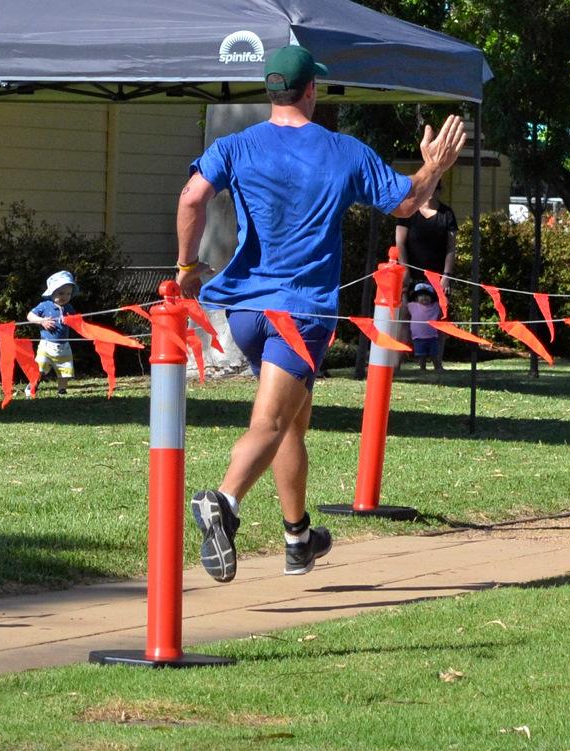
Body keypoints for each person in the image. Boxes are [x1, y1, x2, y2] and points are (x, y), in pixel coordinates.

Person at [177, 44, 469, 583]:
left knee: (292, 421)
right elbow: (406, 204)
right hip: (302, 312)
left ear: (271, 92)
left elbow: (192, 198)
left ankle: (298, 538)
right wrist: (433, 167)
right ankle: (223, 501)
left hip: (247, 311)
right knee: (270, 422)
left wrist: (187, 267)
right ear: (311, 90)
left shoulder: (236, 145)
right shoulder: (343, 150)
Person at [394, 188, 458, 294]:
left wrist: (446, 276)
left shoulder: (447, 214)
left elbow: (451, 247)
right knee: (405, 308)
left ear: (439, 191)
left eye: (435, 188)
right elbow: (400, 243)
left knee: (439, 309)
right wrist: (405, 270)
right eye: (429, 186)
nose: (431, 191)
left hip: (438, 279)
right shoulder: (408, 210)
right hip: (410, 277)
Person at [26, 270, 81, 391]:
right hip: (46, 346)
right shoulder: (45, 305)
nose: (65, 297)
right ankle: (33, 385)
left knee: (65, 369)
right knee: (40, 367)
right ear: (52, 292)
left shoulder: (69, 307)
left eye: (68, 294)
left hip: (64, 346)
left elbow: (75, 321)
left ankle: (62, 390)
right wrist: (41, 321)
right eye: (61, 293)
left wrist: (73, 321)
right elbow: (30, 316)